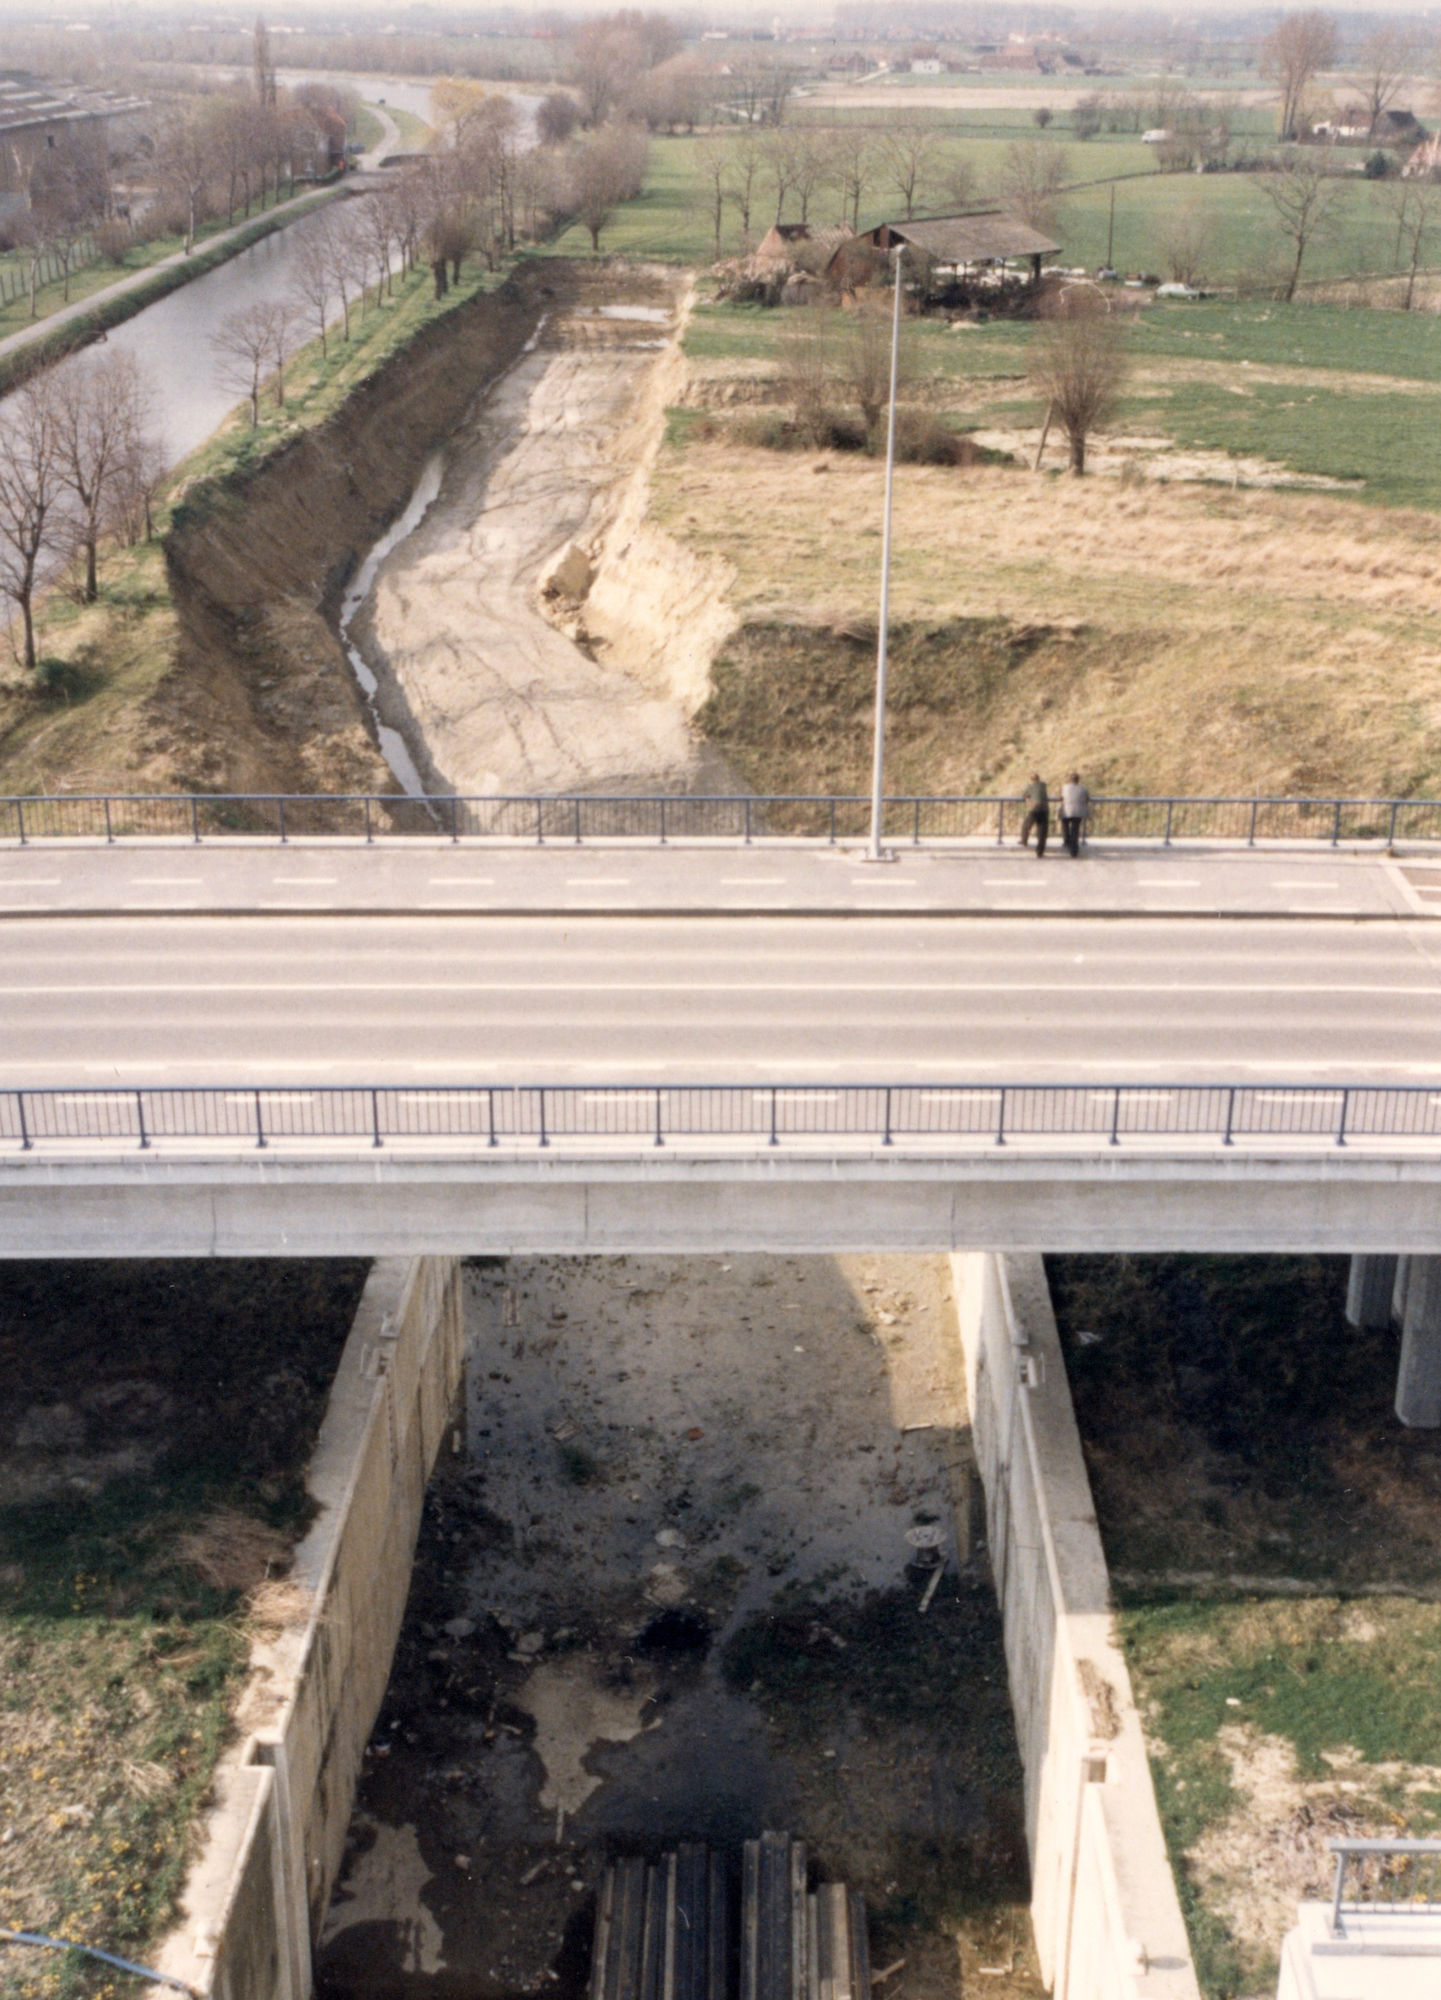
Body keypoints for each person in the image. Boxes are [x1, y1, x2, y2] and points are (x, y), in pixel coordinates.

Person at [1019, 772, 1049, 857]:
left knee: (1026, 825)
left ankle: (1024, 840)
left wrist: (1028, 800)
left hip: (1034, 809)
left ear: (1031, 779)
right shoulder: (1043, 785)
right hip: (1044, 809)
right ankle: (1040, 851)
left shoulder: (1030, 786)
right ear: (1039, 778)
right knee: (1042, 832)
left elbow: (1024, 795)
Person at [1061, 771, 1090, 858]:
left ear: (1070, 780)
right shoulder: (1083, 788)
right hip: (1078, 811)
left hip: (1066, 810)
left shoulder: (1065, 787)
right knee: (1075, 830)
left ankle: (1066, 841)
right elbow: (1087, 798)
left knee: (1065, 824)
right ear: (1078, 780)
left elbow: (1061, 797)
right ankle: (1074, 850)